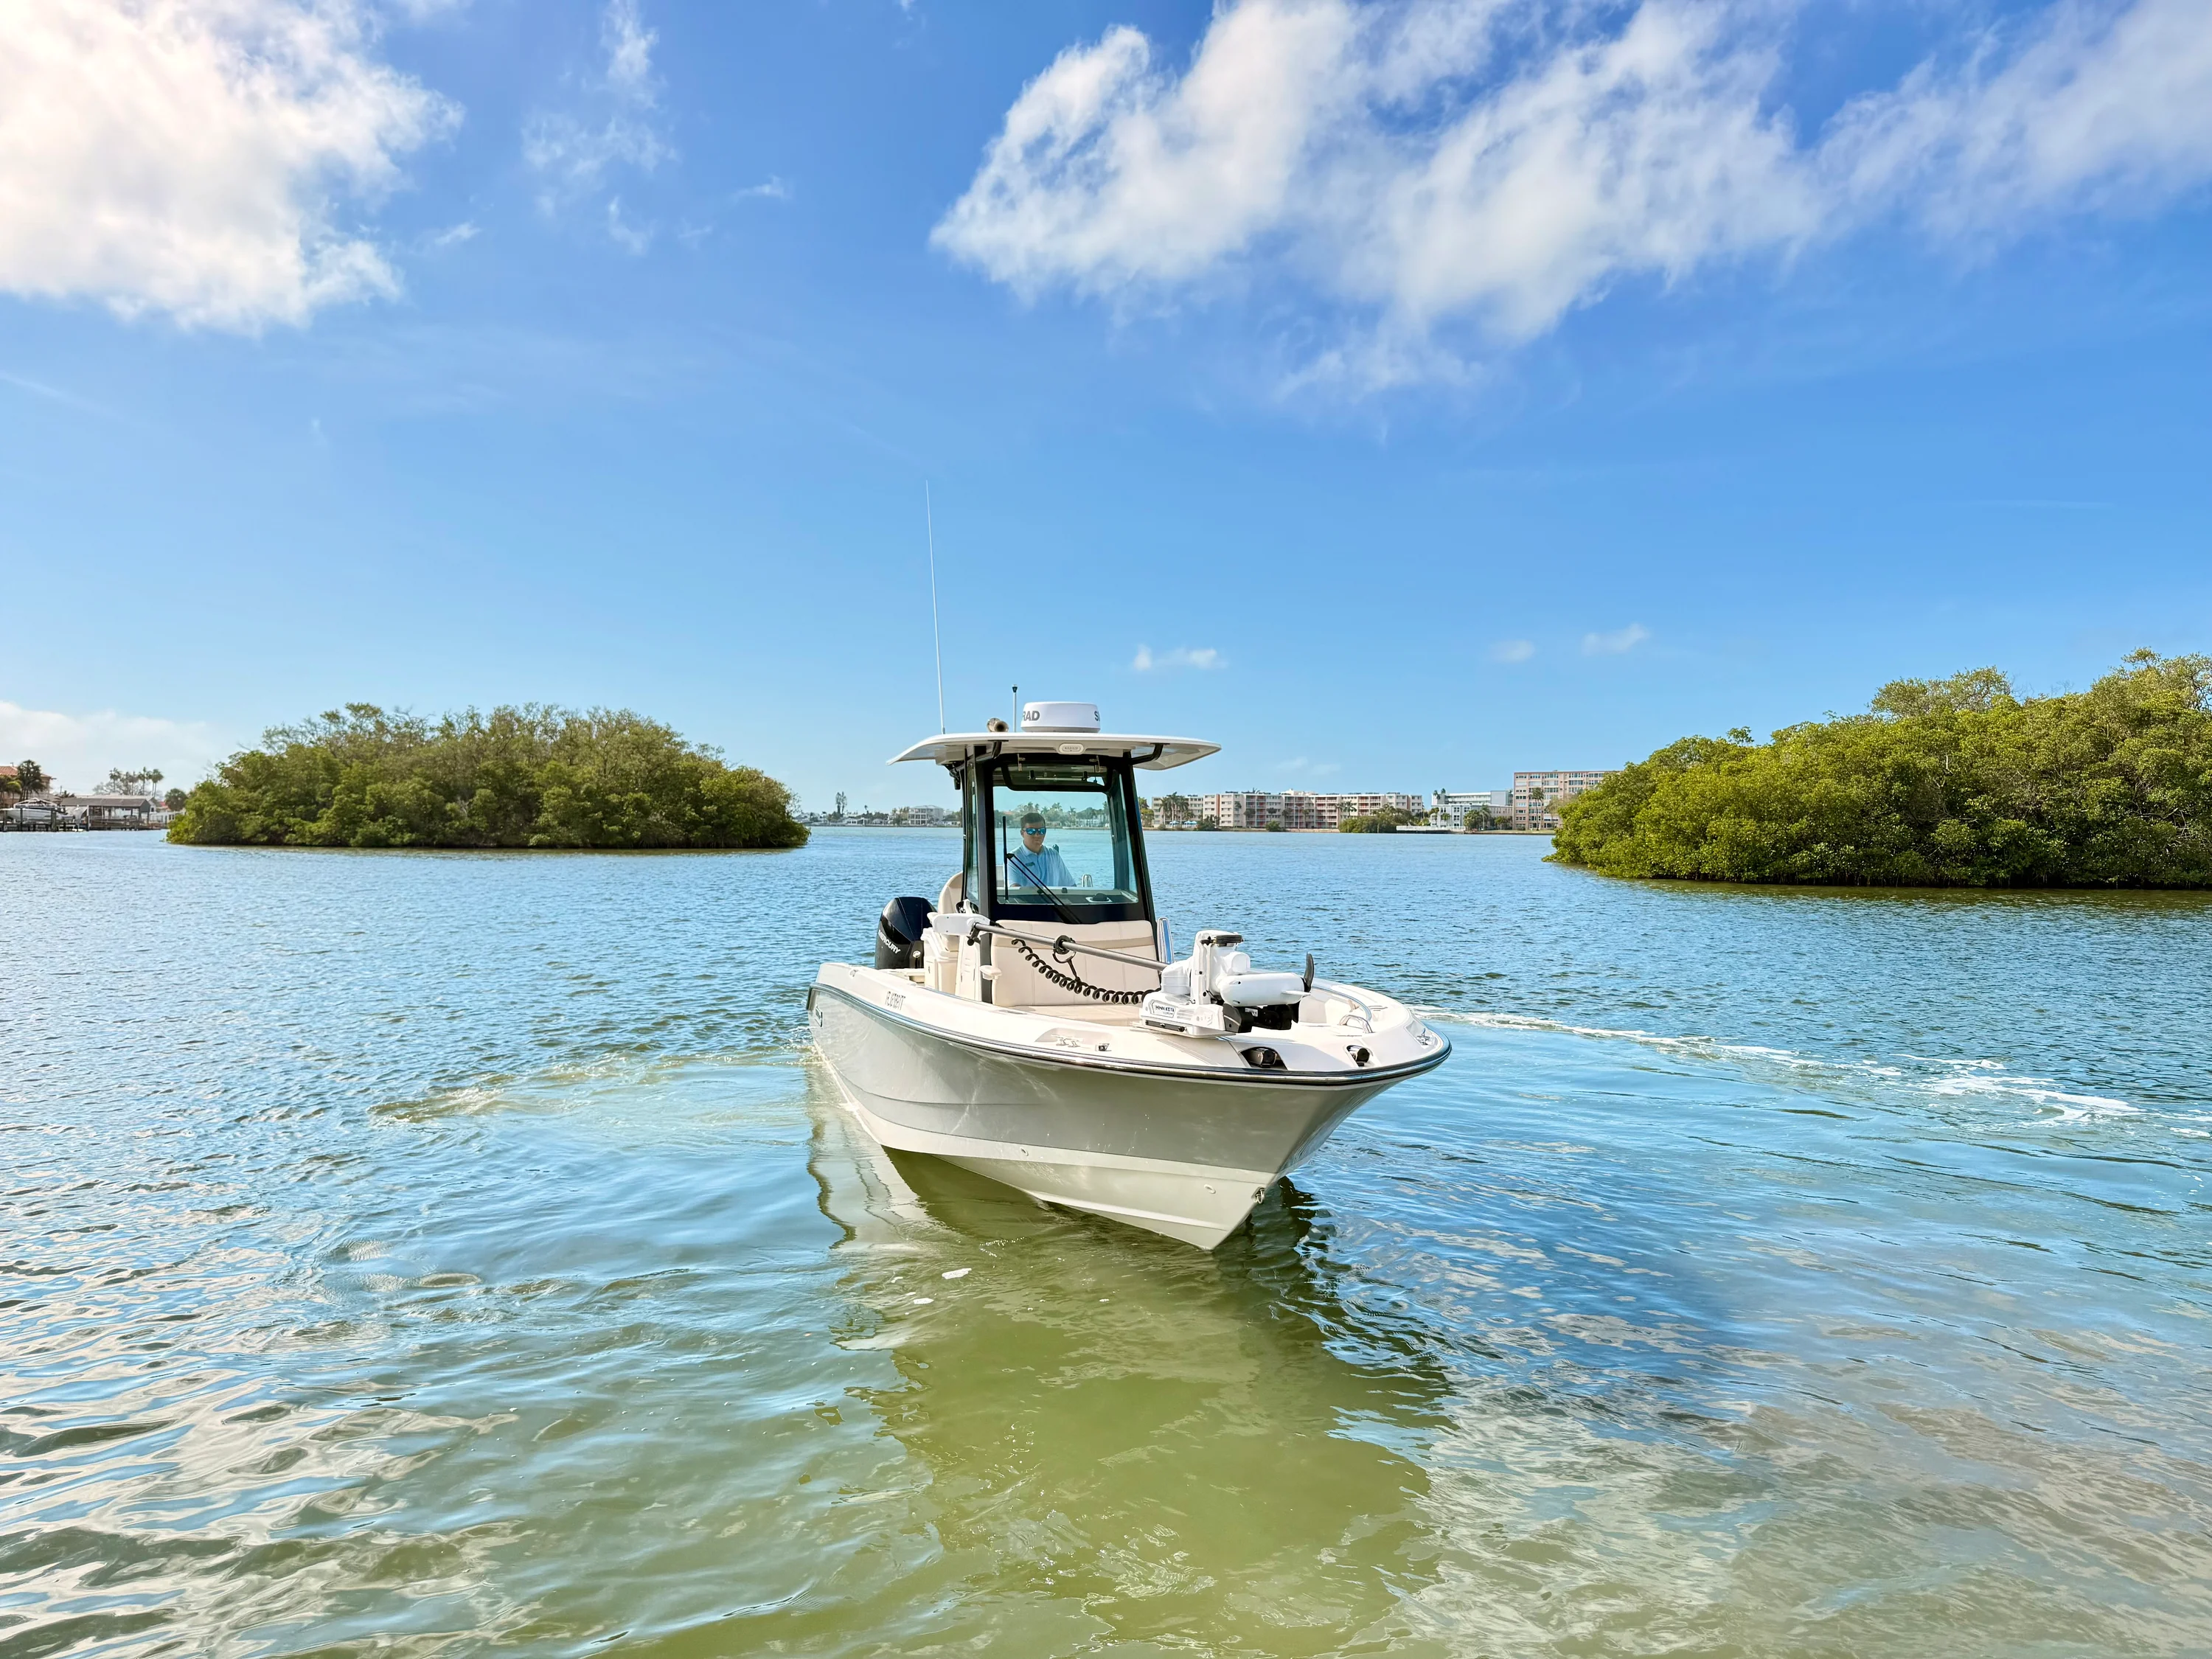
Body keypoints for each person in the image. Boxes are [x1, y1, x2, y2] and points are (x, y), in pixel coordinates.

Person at [1004, 810, 1074, 890]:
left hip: (1054, 898)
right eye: (1031, 831)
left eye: (1041, 831)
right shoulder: (1013, 859)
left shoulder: (1053, 854)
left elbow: (1070, 886)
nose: (1037, 835)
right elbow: (1015, 891)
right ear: (1022, 833)